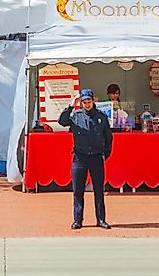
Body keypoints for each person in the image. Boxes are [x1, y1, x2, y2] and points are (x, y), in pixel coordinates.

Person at [58, 88, 113, 230]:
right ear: (81, 102)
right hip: (80, 158)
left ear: (93, 101)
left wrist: (105, 155)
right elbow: (62, 121)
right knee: (78, 190)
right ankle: (78, 220)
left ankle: (101, 219)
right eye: (84, 102)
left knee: (99, 190)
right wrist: (71, 105)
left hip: (96, 157)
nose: (87, 104)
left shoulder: (101, 116)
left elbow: (108, 137)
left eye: (89, 101)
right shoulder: (76, 115)